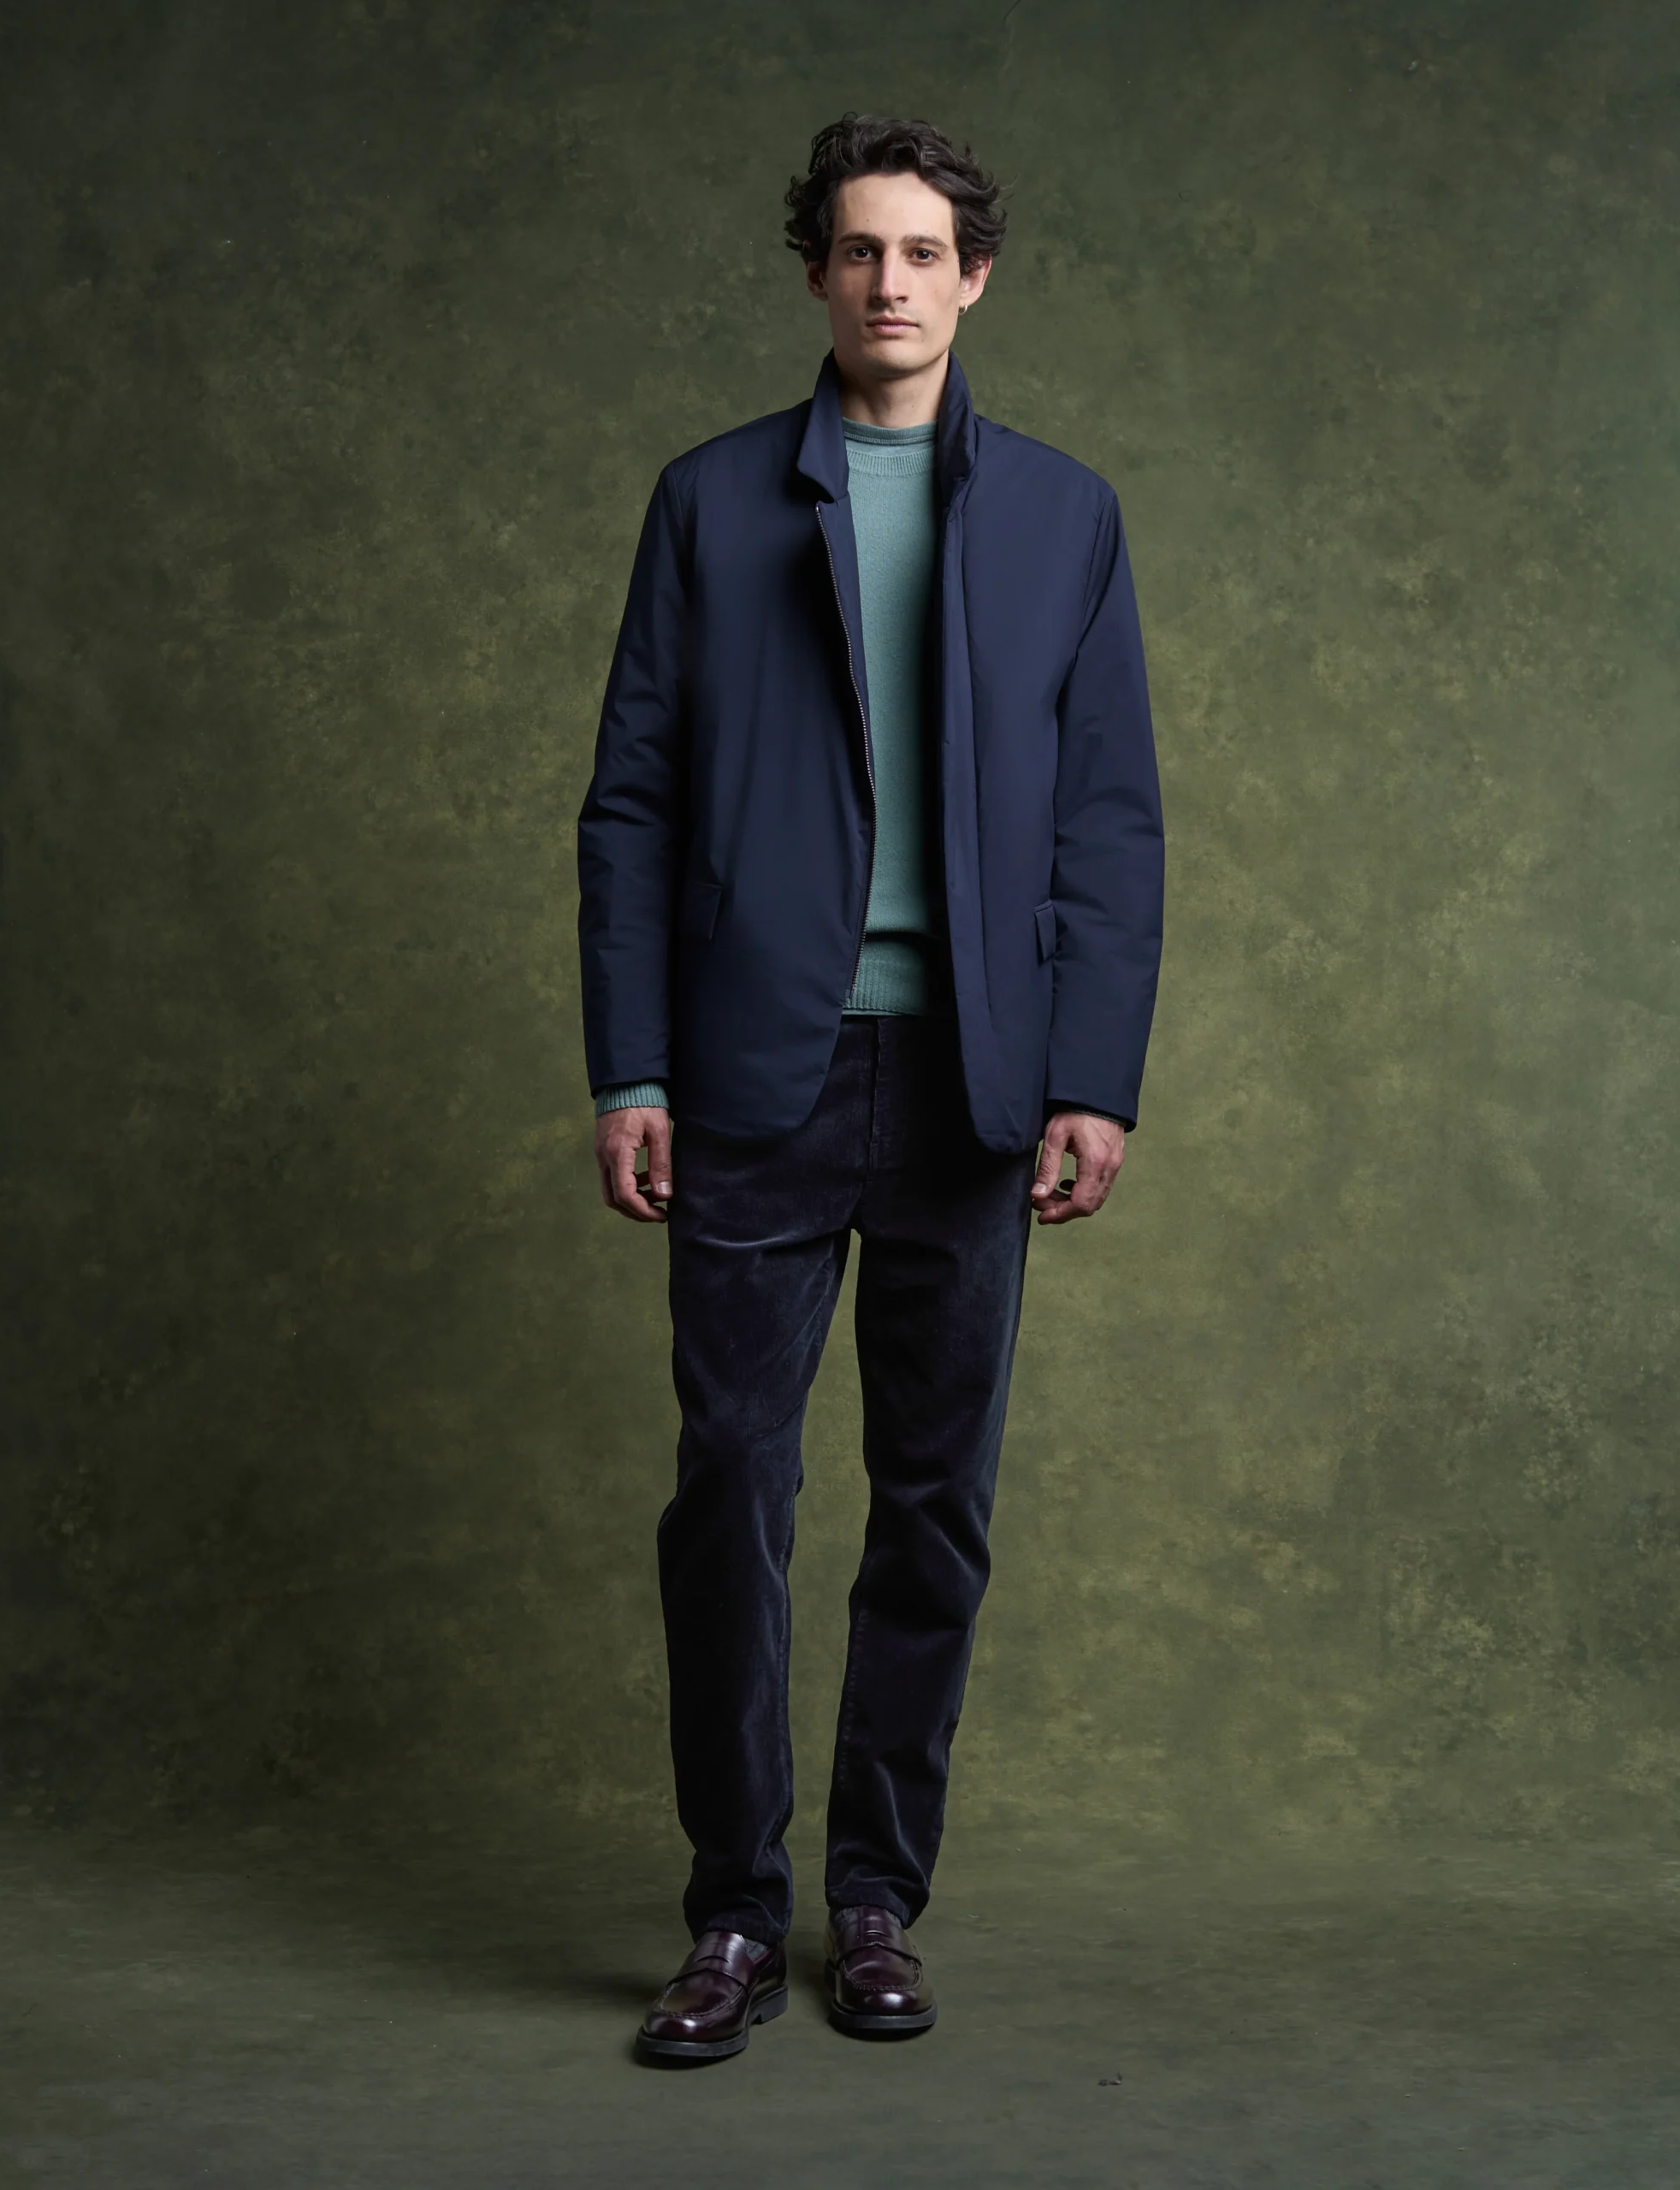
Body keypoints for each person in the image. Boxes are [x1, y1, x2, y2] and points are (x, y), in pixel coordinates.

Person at [577, 113, 1164, 2062]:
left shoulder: (1068, 515)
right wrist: (631, 1062)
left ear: (973, 278)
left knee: (934, 1507)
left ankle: (876, 1899)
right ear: (817, 274)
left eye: (923, 252)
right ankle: (734, 1915)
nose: (890, 282)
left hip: (974, 1086)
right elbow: (632, 803)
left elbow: (1108, 820)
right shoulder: (708, 500)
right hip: (753, 1067)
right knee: (731, 1491)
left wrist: (1092, 1079)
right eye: (857, 250)